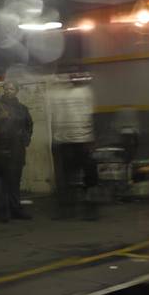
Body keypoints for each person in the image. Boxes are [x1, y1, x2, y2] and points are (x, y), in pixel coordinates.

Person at [0, 80, 34, 222]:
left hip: (18, 149)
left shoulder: (22, 108)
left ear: (17, 91)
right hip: (2, 148)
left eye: (12, 89)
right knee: (4, 182)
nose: (9, 91)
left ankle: (16, 210)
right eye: (7, 89)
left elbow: (29, 124)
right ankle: (3, 212)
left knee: (15, 181)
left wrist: (25, 139)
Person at [49, 76, 99, 220]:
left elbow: (55, 117)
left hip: (71, 141)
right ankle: (83, 209)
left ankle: (70, 210)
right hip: (76, 141)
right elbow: (90, 116)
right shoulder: (84, 92)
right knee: (83, 174)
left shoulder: (58, 93)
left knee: (68, 176)